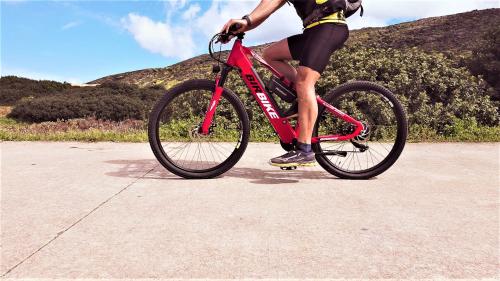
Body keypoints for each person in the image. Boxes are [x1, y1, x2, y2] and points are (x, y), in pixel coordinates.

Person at [220, 0, 349, 167]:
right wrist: (244, 24)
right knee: (270, 55)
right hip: (312, 31)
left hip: (330, 26)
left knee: (304, 81)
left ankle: (305, 149)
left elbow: (270, 3)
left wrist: (246, 21)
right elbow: (267, 9)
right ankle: (302, 100)